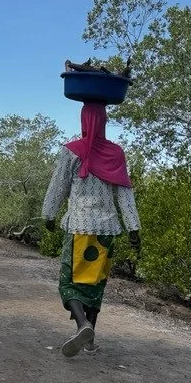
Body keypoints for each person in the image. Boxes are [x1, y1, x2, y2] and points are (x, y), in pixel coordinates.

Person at [42, 102, 141, 357]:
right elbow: (125, 193)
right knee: (95, 283)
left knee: (69, 281)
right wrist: (133, 228)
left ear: (83, 122)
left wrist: (49, 215)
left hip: (78, 227)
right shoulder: (115, 153)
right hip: (106, 230)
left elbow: (58, 187)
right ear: (104, 121)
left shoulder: (71, 152)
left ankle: (83, 324)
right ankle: (89, 341)